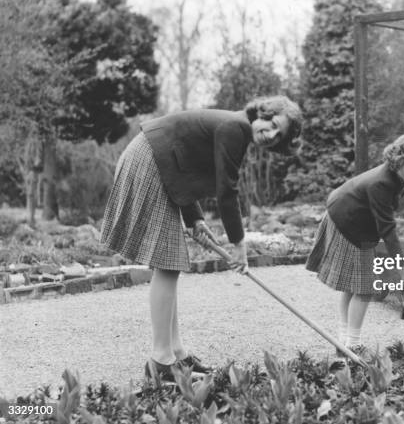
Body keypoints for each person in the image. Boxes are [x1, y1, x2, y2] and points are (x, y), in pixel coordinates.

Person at [100, 96, 302, 382]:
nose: (270, 134)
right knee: (167, 262)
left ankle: (177, 354)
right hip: (148, 160)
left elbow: (183, 166)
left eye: (278, 135)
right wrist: (238, 246)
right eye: (272, 123)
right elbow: (227, 192)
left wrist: (194, 220)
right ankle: (160, 360)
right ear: (263, 112)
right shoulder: (236, 127)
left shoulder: (236, 127)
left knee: (169, 263)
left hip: (158, 161)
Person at [306, 133, 404, 354]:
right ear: (398, 159)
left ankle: (345, 339)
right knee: (365, 288)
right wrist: (403, 269)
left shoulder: (400, 177)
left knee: (355, 285)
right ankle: (352, 344)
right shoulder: (382, 182)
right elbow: (387, 228)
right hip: (346, 221)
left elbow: (384, 218)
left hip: (358, 221)